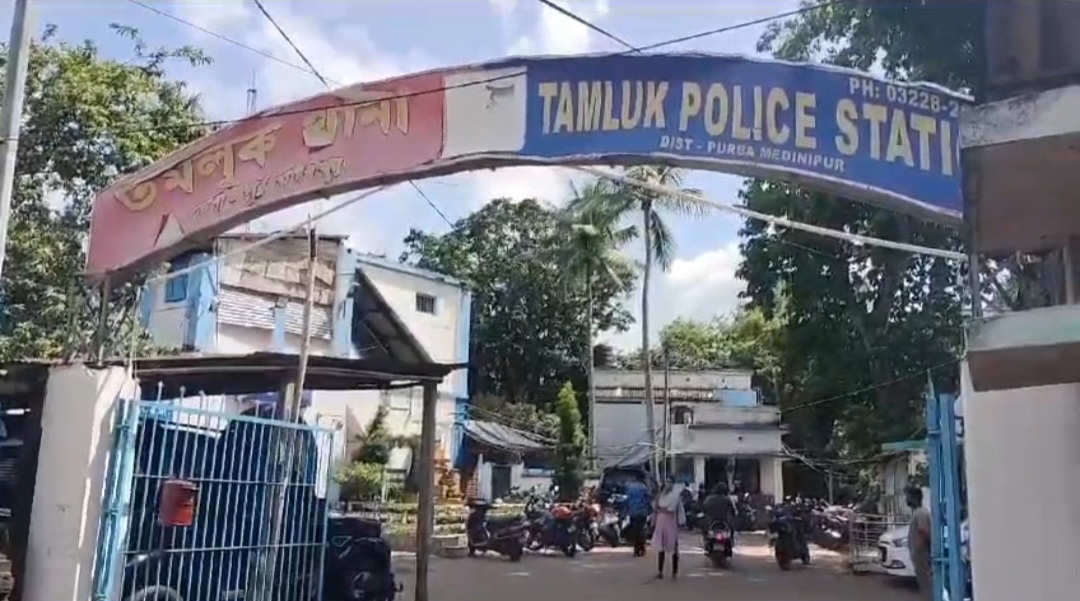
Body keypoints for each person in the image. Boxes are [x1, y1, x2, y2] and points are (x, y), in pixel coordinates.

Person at [651, 476, 685, 579]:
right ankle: (660, 572)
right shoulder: (660, 494)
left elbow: (672, 508)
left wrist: (661, 509)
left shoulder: (675, 495)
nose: (668, 484)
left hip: (671, 522)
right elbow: (655, 507)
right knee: (660, 547)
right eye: (667, 482)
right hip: (660, 522)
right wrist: (654, 520)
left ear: (673, 484)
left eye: (671, 482)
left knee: (673, 546)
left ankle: (674, 572)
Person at [906, 486, 933, 601]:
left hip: (922, 554)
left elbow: (924, 531)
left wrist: (927, 548)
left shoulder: (920, 513)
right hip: (919, 554)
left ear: (914, 498)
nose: (906, 500)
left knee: (926, 583)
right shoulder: (918, 513)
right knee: (924, 582)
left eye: (908, 497)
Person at [623, 477, 652, 557]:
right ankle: (642, 548)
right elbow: (649, 499)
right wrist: (649, 510)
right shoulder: (644, 487)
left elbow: (626, 500)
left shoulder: (630, 488)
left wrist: (626, 511)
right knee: (641, 530)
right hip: (642, 512)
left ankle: (636, 550)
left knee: (635, 530)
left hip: (633, 512)